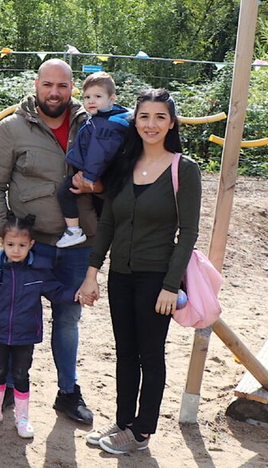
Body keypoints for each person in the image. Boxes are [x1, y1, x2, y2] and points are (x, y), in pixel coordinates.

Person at [76, 89, 200, 455]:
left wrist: (169, 284)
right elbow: (109, 223)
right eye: (144, 116)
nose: (151, 124)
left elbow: (189, 232)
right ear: (135, 121)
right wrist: (92, 272)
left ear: (171, 123)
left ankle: (142, 432)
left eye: (160, 117)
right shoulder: (124, 164)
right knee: (125, 352)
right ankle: (123, 421)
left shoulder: (184, 169)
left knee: (151, 354)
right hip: (122, 276)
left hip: (156, 278)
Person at [0, 58, 95, 424]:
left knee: (68, 318)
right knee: (15, 314)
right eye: (48, 85)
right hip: (30, 245)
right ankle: (7, 387)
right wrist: (8, 233)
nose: (55, 93)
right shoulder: (13, 128)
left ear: (72, 87)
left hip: (77, 244)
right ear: (36, 84)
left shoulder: (91, 126)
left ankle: (67, 392)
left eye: (62, 85)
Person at [0, 214, 82, 438]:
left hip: (25, 335)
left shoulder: (39, 271)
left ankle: (22, 418)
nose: (16, 250)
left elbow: (57, 292)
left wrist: (77, 295)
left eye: (22, 245)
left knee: (21, 374)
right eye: (10, 245)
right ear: (3, 243)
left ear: (31, 245)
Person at [55, 72, 130, 248]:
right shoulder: (106, 118)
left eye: (98, 96)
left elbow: (98, 153)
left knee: (65, 193)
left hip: (90, 173)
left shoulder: (105, 125)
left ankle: (73, 230)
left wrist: (88, 178)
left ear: (112, 98)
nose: (91, 101)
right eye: (87, 97)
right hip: (97, 173)